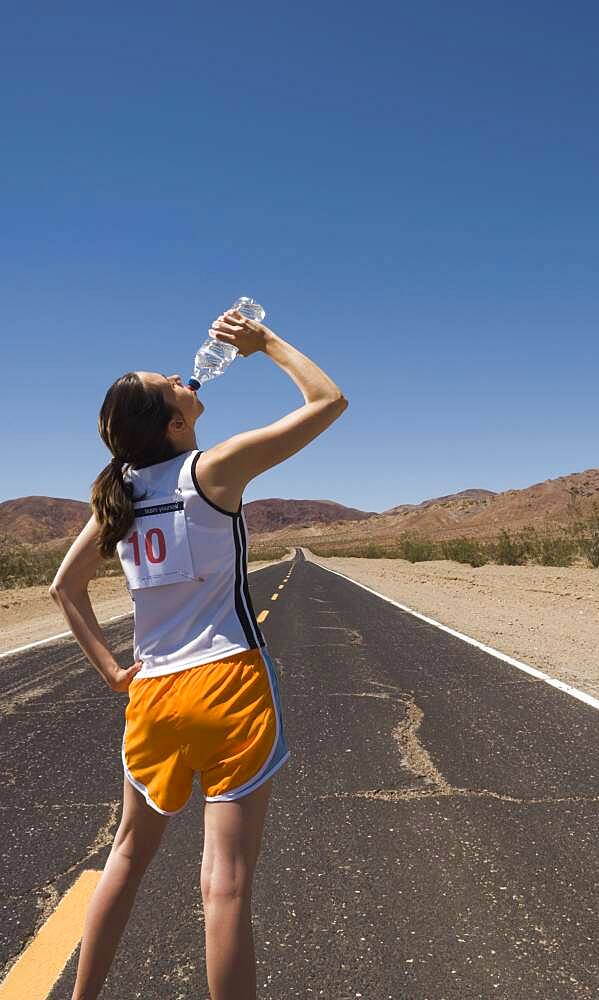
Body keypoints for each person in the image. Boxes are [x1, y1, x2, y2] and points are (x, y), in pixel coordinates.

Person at [49, 307, 349, 1000]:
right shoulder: (212, 469)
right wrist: (265, 342)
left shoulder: (117, 496)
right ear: (175, 424)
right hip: (231, 689)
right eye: (172, 383)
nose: (187, 375)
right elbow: (329, 401)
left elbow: (66, 588)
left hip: (152, 697)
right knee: (225, 886)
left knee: (125, 856)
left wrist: (113, 672)